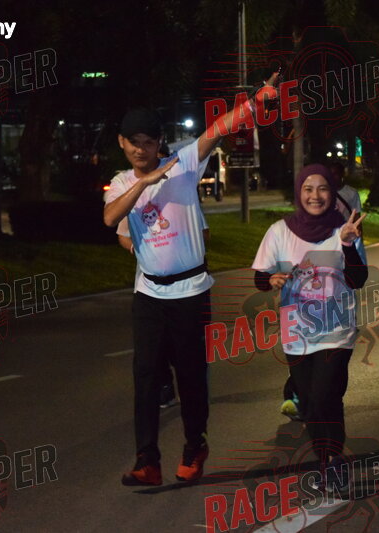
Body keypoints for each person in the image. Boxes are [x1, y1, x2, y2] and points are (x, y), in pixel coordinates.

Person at [103, 72, 279, 486]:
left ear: (159, 142)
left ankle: (194, 445)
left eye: (149, 142)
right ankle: (147, 461)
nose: (141, 149)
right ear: (122, 142)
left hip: (190, 293)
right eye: (133, 142)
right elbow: (111, 218)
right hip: (149, 294)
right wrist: (144, 185)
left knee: (191, 376)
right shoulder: (122, 183)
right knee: (146, 378)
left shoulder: (182, 163)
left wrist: (254, 103)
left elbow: (217, 130)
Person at [252, 163, 368, 492]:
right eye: (308, 189)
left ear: (333, 193)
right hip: (297, 334)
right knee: (310, 403)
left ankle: (334, 462)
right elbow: (260, 276)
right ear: (298, 192)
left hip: (337, 331)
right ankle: (326, 461)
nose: (315, 196)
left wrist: (348, 245)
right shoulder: (279, 231)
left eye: (322, 189)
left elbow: (358, 279)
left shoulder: (344, 231)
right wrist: (270, 279)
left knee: (323, 397)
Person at [116, 213, 210, 409]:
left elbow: (204, 233)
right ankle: (164, 387)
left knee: (187, 347)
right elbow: (123, 234)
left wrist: (179, 248)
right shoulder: (136, 203)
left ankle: (193, 393)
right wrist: (136, 248)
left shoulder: (183, 202)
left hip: (186, 289)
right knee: (152, 347)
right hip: (149, 289)